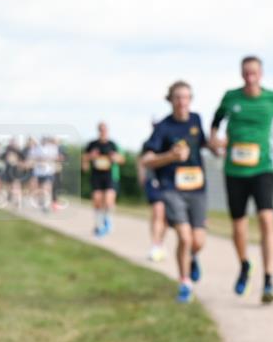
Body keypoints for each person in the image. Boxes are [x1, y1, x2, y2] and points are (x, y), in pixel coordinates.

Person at [209, 56, 273, 304]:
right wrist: (214, 141)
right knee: (239, 226)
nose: (250, 78)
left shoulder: (272, 99)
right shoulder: (231, 98)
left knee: (266, 219)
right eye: (246, 73)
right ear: (241, 74)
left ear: (261, 74)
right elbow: (215, 123)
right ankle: (245, 265)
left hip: (263, 167)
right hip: (235, 170)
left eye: (254, 73)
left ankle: (269, 279)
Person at [141, 82, 214, 303]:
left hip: (197, 188)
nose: (182, 102)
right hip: (172, 189)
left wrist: (219, 145)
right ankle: (184, 282)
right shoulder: (163, 127)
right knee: (184, 236)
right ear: (170, 100)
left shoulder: (196, 120)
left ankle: (191, 258)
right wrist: (170, 157)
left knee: (198, 241)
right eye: (178, 98)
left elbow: (203, 144)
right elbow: (147, 160)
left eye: (186, 97)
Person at [82, 122, 124, 236]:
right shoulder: (92, 144)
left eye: (104, 129)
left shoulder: (113, 145)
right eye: (101, 129)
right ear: (98, 130)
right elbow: (84, 159)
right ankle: (98, 224)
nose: (103, 131)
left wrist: (115, 158)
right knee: (97, 200)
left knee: (109, 200)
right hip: (96, 176)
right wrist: (90, 157)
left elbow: (121, 159)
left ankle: (107, 220)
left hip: (109, 175)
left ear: (107, 130)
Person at [139, 118, 168, 261]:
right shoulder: (148, 144)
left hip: (169, 183)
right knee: (158, 212)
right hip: (154, 180)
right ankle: (155, 245)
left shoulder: (169, 141)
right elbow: (141, 161)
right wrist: (141, 177)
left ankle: (160, 243)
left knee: (166, 218)